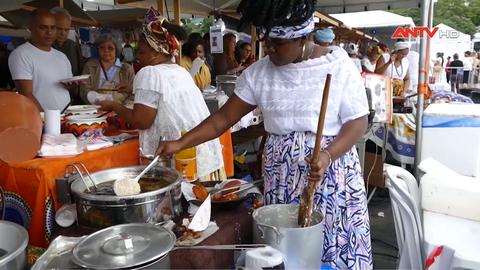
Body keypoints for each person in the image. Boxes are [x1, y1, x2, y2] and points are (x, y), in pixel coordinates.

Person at [156, 1, 372, 268]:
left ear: (303, 37)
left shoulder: (338, 65)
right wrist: (180, 142)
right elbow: (222, 119)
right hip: (281, 176)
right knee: (286, 253)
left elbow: (358, 122)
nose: (268, 49)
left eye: (277, 43)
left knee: (329, 249)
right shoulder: (259, 73)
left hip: (329, 175)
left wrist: (328, 155)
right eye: (266, 40)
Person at [97, 7, 226, 181]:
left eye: (141, 52)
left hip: (183, 161)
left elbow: (141, 120)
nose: (138, 58)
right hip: (206, 158)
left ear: (157, 52)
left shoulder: (149, 72)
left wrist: (114, 106)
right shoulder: (179, 71)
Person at [8, 9, 74, 111]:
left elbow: (66, 89)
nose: (49, 32)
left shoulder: (62, 57)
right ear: (30, 28)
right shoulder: (21, 54)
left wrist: (73, 84)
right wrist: (45, 119)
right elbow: (25, 93)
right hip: (40, 120)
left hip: (66, 117)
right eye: (43, 27)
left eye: (53, 27)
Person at [80, 34, 135, 104]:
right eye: (102, 47)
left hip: (121, 109)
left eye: (110, 48)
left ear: (117, 50)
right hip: (96, 108)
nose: (106, 50)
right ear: (98, 49)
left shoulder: (127, 69)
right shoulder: (89, 66)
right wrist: (96, 100)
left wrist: (123, 107)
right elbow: (84, 90)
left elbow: (133, 92)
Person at [51, 7, 84, 104]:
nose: (63, 33)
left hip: (71, 99)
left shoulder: (73, 45)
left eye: (66, 30)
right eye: (59, 29)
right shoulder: (44, 47)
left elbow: (79, 71)